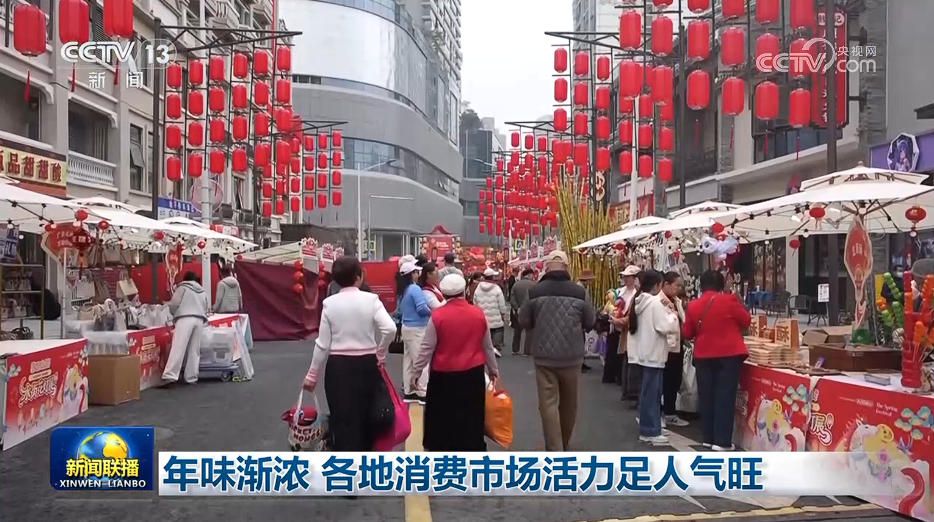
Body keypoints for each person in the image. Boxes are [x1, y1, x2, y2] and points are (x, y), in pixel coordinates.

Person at [303, 256, 396, 452]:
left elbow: (322, 344)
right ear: (358, 276)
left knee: (343, 418)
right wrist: (380, 353)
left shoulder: (329, 304)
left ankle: (346, 461)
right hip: (367, 365)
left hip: (338, 368)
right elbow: (390, 329)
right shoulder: (371, 300)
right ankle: (367, 461)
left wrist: (312, 375)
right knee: (368, 417)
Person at [412, 274, 500, 451]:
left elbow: (427, 348)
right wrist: (493, 370)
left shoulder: (437, 316)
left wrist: (416, 371)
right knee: (471, 414)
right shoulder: (478, 314)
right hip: (473, 373)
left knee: (443, 415)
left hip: (443, 374)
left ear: (444, 294)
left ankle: (442, 448)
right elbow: (487, 346)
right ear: (464, 291)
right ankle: (471, 448)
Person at [519, 250, 595, 451]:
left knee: (548, 404)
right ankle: (565, 442)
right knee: (570, 403)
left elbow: (524, 320)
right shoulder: (579, 292)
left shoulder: (535, 291)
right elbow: (590, 321)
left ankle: (554, 448)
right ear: (567, 267)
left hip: (544, 356)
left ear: (546, 267)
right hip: (572, 355)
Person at [683, 270, 751, 451]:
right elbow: (746, 321)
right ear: (721, 285)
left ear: (701, 285)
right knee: (724, 397)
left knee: (706, 396)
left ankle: (708, 437)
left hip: (703, 355)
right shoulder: (730, 301)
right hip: (729, 355)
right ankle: (722, 441)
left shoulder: (693, 305)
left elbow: (687, 333)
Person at [628, 269, 680, 445]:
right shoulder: (655, 303)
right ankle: (650, 430)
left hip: (645, 352)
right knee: (652, 394)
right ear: (658, 285)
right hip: (654, 354)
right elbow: (665, 326)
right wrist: (673, 316)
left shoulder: (641, 301)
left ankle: (649, 427)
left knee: (648, 393)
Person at [163, 272, 210, 385]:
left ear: (185, 279)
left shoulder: (182, 288)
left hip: (185, 317)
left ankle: (170, 376)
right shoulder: (202, 291)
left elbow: (174, 304)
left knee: (178, 347)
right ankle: (191, 377)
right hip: (199, 319)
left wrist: (173, 313)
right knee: (194, 349)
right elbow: (206, 306)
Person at [398, 261, 431, 404]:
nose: (418, 274)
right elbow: (422, 308)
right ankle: (423, 392)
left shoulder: (404, 290)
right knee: (421, 360)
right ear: (411, 274)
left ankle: (409, 391)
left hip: (407, 327)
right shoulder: (415, 289)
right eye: (416, 272)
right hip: (418, 328)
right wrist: (432, 312)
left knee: (409, 361)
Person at [661, 271, 689, 428]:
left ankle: (670, 413)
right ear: (666, 284)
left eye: (680, 286)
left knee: (674, 380)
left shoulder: (677, 301)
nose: (679, 288)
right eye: (676, 285)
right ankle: (662, 413)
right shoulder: (659, 301)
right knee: (664, 381)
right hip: (665, 347)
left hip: (678, 346)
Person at [607, 265, 640, 385]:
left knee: (627, 355)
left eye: (628, 277)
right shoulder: (620, 291)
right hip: (617, 325)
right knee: (618, 353)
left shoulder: (637, 294)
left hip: (628, 327)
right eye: (624, 277)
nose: (625, 279)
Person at [473, 268, 509, 358]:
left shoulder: (478, 287)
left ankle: (486, 349)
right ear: (492, 277)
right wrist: (503, 312)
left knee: (485, 332)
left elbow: (475, 302)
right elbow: (501, 302)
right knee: (496, 331)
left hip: (483, 315)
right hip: (495, 315)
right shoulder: (496, 288)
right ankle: (495, 347)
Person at [509, 269, 536, 355]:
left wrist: (516, 307)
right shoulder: (534, 285)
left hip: (518, 310)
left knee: (517, 331)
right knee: (529, 331)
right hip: (529, 310)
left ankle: (515, 349)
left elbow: (512, 298)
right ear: (529, 275)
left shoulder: (516, 284)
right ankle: (527, 351)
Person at [576, 270, 596, 373]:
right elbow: (585, 305)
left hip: (580, 319)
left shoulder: (582, 288)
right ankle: (579, 363)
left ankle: (581, 362)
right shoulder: (580, 289)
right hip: (580, 319)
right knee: (580, 342)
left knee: (581, 341)